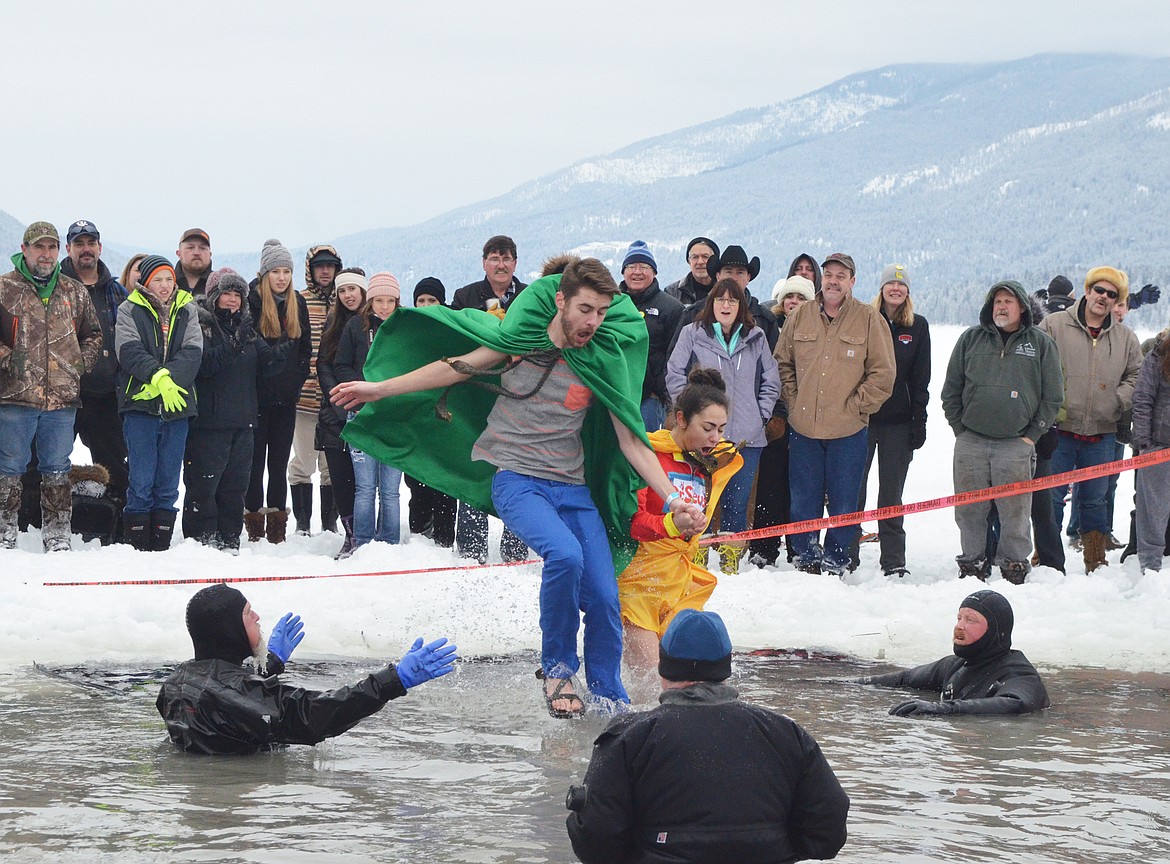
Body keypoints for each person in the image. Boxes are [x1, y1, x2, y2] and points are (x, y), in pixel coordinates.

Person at [332, 257, 705, 718]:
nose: (593, 322)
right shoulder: (517, 344)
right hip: (518, 480)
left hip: (572, 488)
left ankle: (609, 696)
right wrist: (380, 389)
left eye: (602, 313)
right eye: (585, 309)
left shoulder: (598, 360)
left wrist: (673, 499)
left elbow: (632, 440)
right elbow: (453, 368)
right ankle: (558, 670)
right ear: (562, 301)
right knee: (564, 556)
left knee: (607, 596)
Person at [565, 609, 849, 863]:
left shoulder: (630, 736)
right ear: (725, 668)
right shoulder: (786, 733)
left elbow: (596, 843)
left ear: (664, 668)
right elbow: (827, 832)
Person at [156, 582, 457, 755]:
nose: (259, 616)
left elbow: (231, 695)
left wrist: (270, 664)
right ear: (229, 630)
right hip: (235, 791)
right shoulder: (237, 694)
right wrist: (392, 681)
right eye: (249, 615)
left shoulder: (174, 683)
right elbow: (313, 715)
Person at [774, 252, 895, 576]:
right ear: (821, 278)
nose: (833, 281)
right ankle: (805, 559)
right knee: (803, 501)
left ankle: (836, 561)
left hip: (848, 431)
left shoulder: (869, 320)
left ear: (852, 282)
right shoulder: (801, 317)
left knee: (844, 504)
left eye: (841, 276)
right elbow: (781, 363)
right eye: (828, 274)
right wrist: (794, 400)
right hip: (805, 430)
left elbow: (883, 373)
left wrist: (857, 407)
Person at [619, 368, 742, 674]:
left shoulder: (705, 464)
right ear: (681, 419)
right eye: (708, 427)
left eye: (722, 429)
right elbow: (633, 523)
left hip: (678, 584)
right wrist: (673, 525)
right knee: (650, 685)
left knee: (685, 683)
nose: (715, 438)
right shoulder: (649, 455)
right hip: (638, 585)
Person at [941, 281, 1063, 584]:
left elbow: (1054, 397)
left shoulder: (1040, 343)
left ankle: (1014, 565)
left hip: (1016, 443)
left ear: (1021, 307)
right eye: (997, 301)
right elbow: (951, 390)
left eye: (1008, 301)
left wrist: (1032, 435)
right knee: (969, 510)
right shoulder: (971, 339)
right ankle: (972, 562)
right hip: (971, 440)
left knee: (1016, 513)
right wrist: (960, 428)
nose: (1001, 307)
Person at [0, 222, 103, 552]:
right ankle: (4, 532)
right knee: (10, 467)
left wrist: (78, 364)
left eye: (52, 248)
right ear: (25, 249)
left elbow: (94, 335)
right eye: (40, 247)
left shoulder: (73, 291)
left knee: (57, 467)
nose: (46, 254)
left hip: (62, 399)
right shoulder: (5, 289)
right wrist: (7, 358)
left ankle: (57, 533)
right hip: (16, 396)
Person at [666, 278, 780, 574]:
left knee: (737, 503)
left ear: (742, 306)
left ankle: (731, 560)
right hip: (701, 438)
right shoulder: (693, 333)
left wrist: (761, 415)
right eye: (720, 300)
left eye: (733, 300)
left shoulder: (755, 337)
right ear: (711, 304)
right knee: (700, 503)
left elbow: (771, 380)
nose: (726, 305)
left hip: (746, 438)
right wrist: (690, 412)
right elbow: (674, 372)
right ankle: (696, 558)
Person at [1039, 267, 1142, 572]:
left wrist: (1117, 399)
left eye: (1112, 294)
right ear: (1087, 291)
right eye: (1099, 290)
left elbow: (1135, 375)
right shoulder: (1054, 325)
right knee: (1052, 497)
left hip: (1102, 431)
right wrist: (1052, 403)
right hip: (1060, 428)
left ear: (1117, 302)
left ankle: (1094, 559)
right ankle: (1046, 558)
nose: (1104, 298)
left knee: (1096, 499)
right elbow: (1039, 366)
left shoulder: (1126, 338)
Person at [182, 269, 289, 551]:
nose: (232, 300)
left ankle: (230, 540)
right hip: (208, 424)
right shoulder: (200, 325)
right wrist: (234, 343)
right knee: (204, 489)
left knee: (235, 489)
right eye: (226, 293)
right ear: (215, 296)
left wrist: (284, 349)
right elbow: (204, 365)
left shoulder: (247, 329)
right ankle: (201, 542)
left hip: (244, 423)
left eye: (237, 295)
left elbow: (267, 366)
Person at [449, 235, 529, 565]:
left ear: (515, 263)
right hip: (477, 391)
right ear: (484, 263)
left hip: (521, 394)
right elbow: (452, 335)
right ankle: (471, 550)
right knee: (475, 463)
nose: (500, 264)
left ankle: (515, 548)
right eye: (494, 258)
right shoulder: (465, 296)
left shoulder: (529, 297)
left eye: (507, 258)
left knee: (519, 469)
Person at [115, 255, 203, 551]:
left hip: (177, 406)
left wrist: (170, 382)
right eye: (157, 280)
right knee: (141, 480)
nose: (164, 286)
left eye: (168, 279)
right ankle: (137, 547)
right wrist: (157, 379)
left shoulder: (187, 309)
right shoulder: (129, 309)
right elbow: (128, 350)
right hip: (140, 406)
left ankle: (161, 547)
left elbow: (193, 352)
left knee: (167, 482)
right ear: (145, 282)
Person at [851, 264, 931, 578]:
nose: (895, 289)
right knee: (854, 491)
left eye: (901, 285)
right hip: (864, 419)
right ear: (881, 288)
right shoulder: (866, 320)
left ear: (907, 291)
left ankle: (893, 559)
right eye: (890, 285)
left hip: (899, 422)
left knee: (891, 494)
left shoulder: (918, 326)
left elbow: (921, 377)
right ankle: (847, 553)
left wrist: (919, 420)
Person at [860, 589, 1050, 716]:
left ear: (995, 630)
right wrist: (846, 684)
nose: (959, 626)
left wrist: (941, 709)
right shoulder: (956, 665)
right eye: (959, 618)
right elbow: (904, 679)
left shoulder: (1019, 674)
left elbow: (1016, 705)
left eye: (970, 620)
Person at [61, 220, 130, 539]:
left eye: (91, 243)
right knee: (47, 465)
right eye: (79, 243)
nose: (86, 249)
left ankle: (116, 530)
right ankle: (37, 526)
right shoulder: (53, 286)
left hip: (106, 395)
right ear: (68, 249)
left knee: (115, 465)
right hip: (62, 396)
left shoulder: (117, 291)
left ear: (100, 248)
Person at [244, 240, 312, 544]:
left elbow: (304, 350)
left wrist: (295, 383)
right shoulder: (252, 302)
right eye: (275, 271)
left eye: (286, 271)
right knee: (255, 462)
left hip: (286, 399)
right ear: (264, 273)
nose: (281, 277)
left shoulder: (298, 303)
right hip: (256, 399)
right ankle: (254, 521)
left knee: (279, 461)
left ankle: (276, 527)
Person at [750, 274, 815, 568]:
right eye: (790, 296)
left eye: (801, 298)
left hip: (806, 418)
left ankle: (798, 548)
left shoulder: (816, 330)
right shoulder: (769, 328)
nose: (794, 302)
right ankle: (763, 546)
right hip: (775, 415)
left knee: (801, 486)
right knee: (769, 483)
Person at [336, 273, 404, 547]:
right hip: (362, 415)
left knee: (390, 490)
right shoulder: (356, 326)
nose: (384, 307)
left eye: (390, 301)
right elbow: (340, 364)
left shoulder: (405, 328)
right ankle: (361, 542)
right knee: (365, 487)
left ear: (398, 303)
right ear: (370, 301)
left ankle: (390, 543)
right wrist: (359, 386)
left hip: (396, 417)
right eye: (378, 300)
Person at [290, 245, 344, 537]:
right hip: (304, 396)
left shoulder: (345, 301)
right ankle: (301, 524)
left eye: (331, 266)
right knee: (303, 461)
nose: (325, 271)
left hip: (336, 398)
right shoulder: (299, 300)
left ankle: (329, 523)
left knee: (331, 463)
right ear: (310, 270)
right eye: (320, 266)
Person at [315, 268, 367, 558]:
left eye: (353, 290)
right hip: (335, 412)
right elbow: (323, 365)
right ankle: (349, 534)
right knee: (341, 477)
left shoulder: (372, 324)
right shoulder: (332, 323)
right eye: (343, 291)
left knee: (367, 480)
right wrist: (338, 401)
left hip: (367, 409)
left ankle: (367, 531)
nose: (348, 295)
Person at [403, 277, 457, 548]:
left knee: (445, 482)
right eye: (420, 300)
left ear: (441, 302)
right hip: (416, 417)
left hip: (445, 417)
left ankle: (445, 540)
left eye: (431, 300)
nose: (425, 305)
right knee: (416, 478)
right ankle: (419, 536)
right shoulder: (407, 332)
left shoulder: (450, 331)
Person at [617, 240, 683, 431]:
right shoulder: (612, 305)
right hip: (616, 393)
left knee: (648, 451)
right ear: (623, 272)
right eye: (631, 266)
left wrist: (659, 391)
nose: (637, 272)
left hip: (651, 399)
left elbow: (675, 356)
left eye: (644, 266)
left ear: (654, 272)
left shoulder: (671, 308)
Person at [1131, 326, 1170, 574]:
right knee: (1152, 511)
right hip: (1158, 446)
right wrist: (1144, 443)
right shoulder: (1158, 353)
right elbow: (1143, 397)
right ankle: (1149, 564)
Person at [662, 236, 718, 306]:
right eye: (695, 257)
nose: (700, 262)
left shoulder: (725, 290)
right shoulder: (672, 292)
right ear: (689, 261)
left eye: (705, 256)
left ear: (715, 261)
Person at [175, 228, 212, 296]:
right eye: (190, 247)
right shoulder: (168, 284)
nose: (196, 253)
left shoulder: (219, 286)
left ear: (210, 254)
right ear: (178, 253)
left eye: (202, 248)